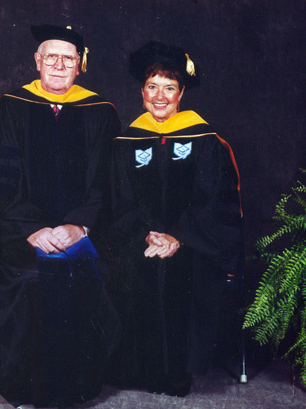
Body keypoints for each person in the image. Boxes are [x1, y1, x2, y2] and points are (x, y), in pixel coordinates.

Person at [0, 24, 121, 407]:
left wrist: (79, 226)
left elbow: (109, 182)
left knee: (89, 276)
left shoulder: (101, 112)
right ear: (37, 61)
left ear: (80, 65)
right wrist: (33, 229)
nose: (59, 64)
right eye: (51, 57)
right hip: (20, 235)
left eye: (68, 58)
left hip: (84, 235)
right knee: (31, 280)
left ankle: (78, 388)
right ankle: (26, 388)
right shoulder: (9, 106)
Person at [108, 41, 244, 397]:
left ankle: (179, 370)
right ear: (142, 91)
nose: (160, 96)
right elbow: (119, 199)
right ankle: (141, 368)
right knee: (130, 266)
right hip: (141, 239)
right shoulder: (126, 140)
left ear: (181, 93)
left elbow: (214, 201)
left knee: (184, 271)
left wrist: (178, 237)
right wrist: (147, 235)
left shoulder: (205, 139)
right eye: (152, 86)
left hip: (193, 241)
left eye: (169, 88)